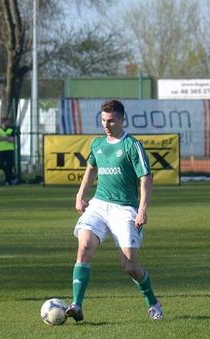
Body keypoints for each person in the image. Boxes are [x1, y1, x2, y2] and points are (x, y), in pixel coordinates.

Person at [65, 99, 163, 322]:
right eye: (102, 120)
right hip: (99, 206)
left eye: (110, 121)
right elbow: (90, 170)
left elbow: (146, 178)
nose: (106, 125)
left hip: (125, 209)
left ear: (121, 119)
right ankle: (76, 305)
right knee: (84, 247)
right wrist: (80, 195)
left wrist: (142, 210)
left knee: (129, 266)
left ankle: (153, 302)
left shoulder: (132, 145)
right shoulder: (97, 144)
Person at [0, 116, 17, 185]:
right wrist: (7, 138)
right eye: (7, 121)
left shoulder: (11, 129)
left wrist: (3, 138)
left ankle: (8, 181)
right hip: (1, 150)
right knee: (0, 164)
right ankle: (12, 177)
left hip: (10, 149)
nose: (8, 123)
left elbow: (12, 140)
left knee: (9, 166)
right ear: (3, 122)